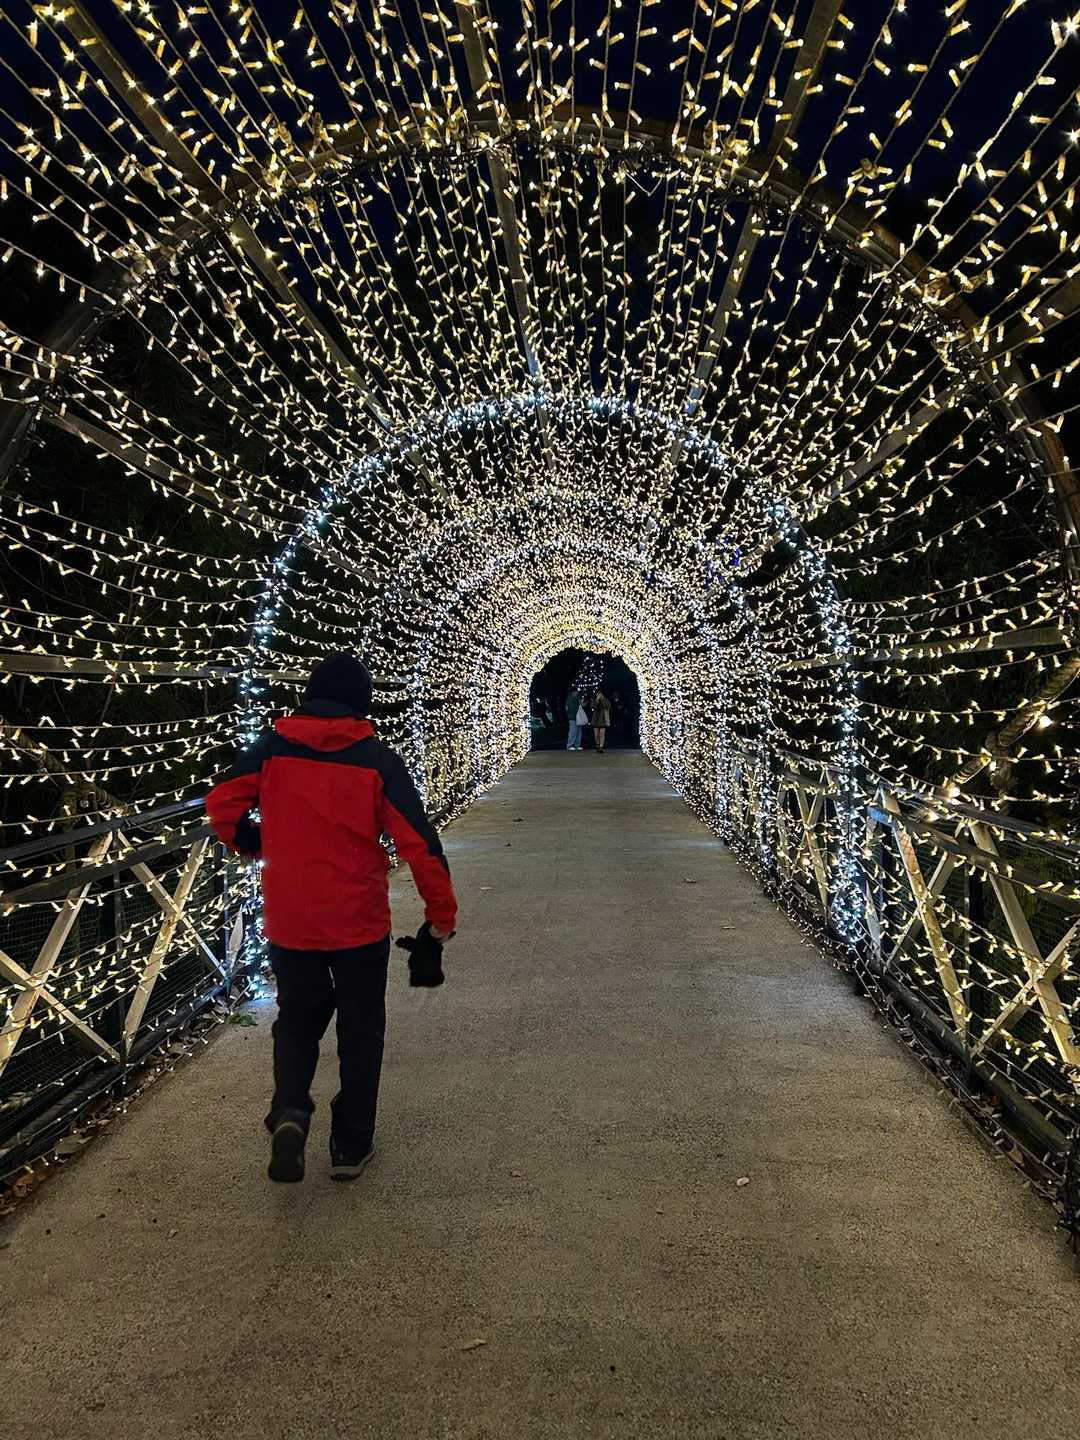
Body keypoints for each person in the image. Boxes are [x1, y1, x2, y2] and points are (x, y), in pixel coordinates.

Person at [205, 653, 458, 1184]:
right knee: (361, 1029)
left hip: (291, 917)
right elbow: (419, 844)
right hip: (357, 921)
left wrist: (253, 840)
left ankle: (291, 1111)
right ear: (362, 703)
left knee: (297, 1019)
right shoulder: (376, 760)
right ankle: (350, 1145)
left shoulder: (272, 748)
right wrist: (440, 917)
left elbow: (222, 802)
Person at [592, 687, 611, 754]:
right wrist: (597, 700)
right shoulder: (594, 700)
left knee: (602, 734)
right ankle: (597, 745)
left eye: (600, 694)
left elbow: (607, 706)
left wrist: (602, 700)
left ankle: (601, 747)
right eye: (598, 694)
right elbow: (593, 707)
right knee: (596, 734)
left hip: (603, 719)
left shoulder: (606, 700)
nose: (599, 695)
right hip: (595, 719)